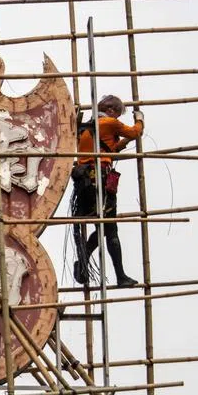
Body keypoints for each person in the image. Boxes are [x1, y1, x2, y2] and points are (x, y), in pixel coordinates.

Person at [71, 94, 144, 288]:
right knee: (109, 228)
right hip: (102, 180)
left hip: (84, 183)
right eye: (118, 114)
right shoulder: (110, 122)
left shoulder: (85, 128)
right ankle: (120, 276)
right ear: (111, 111)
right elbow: (135, 132)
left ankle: (84, 260)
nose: (118, 118)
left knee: (100, 226)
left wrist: (120, 145)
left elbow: (105, 151)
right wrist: (140, 119)